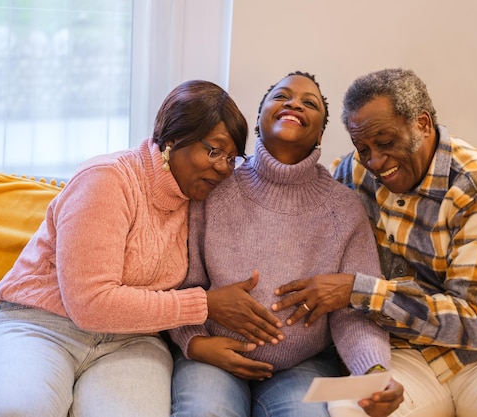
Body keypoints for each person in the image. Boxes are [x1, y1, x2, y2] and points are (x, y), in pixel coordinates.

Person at [0, 80, 283, 417]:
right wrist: (204, 305)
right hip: (41, 325)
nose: (222, 168)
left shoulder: (203, 200)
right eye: (214, 151)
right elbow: (90, 304)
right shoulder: (107, 179)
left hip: (132, 342)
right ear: (173, 138)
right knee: (12, 410)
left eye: (231, 158)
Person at [272, 68, 477, 417]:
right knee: (344, 409)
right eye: (362, 147)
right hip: (404, 354)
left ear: (423, 124)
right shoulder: (354, 173)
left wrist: (357, 290)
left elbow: (474, 322)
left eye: (385, 142)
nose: (375, 162)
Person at [168, 72, 404, 417]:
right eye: (281, 97)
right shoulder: (213, 185)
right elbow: (179, 280)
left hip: (301, 366)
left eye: (309, 103)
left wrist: (374, 372)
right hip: (211, 355)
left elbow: (354, 310)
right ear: (259, 120)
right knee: (205, 411)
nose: (294, 103)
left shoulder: (344, 208)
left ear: (321, 133)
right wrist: (196, 343)